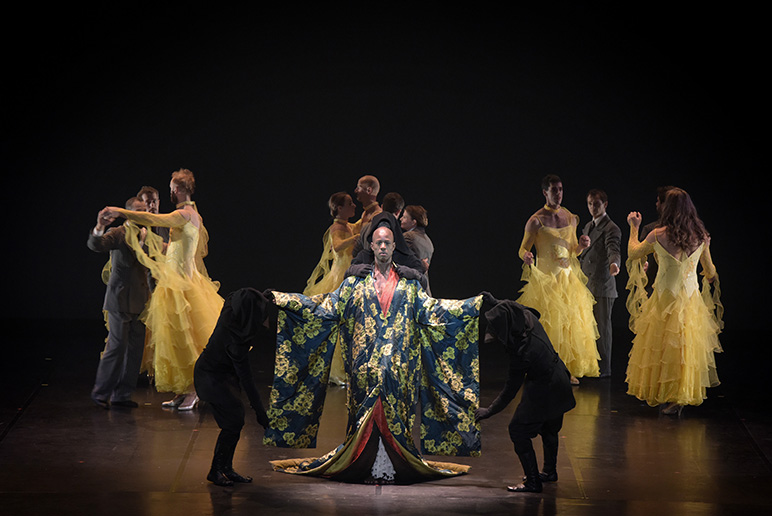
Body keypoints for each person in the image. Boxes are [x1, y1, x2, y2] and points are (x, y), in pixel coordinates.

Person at [264, 226, 483, 484]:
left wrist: (473, 305)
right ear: (371, 246)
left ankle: (394, 465)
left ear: (393, 247)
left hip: (399, 367)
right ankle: (364, 465)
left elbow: (433, 310)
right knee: (365, 419)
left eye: (386, 243)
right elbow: (325, 306)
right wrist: (285, 300)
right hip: (364, 366)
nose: (381, 247)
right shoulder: (354, 283)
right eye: (377, 242)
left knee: (395, 418)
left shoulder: (409, 285)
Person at [103, 168, 224, 411]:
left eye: (170, 188)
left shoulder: (184, 214)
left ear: (177, 190)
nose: (169, 191)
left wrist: (119, 211)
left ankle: (193, 390)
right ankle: (182, 390)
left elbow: (154, 219)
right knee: (177, 340)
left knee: (187, 340)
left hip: (183, 286)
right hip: (173, 284)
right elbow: (176, 246)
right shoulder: (189, 214)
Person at [625, 187, 723, 415]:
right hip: (689, 301)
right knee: (684, 348)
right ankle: (679, 395)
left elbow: (633, 253)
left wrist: (634, 228)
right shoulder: (701, 236)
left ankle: (666, 393)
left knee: (661, 347)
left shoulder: (658, 234)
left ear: (667, 209)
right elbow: (710, 272)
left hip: (663, 300)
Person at [475, 300, 576, 493]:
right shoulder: (528, 319)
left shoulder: (522, 352)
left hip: (545, 387)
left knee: (518, 430)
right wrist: (494, 302)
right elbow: (513, 308)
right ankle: (549, 472)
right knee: (549, 428)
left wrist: (488, 411)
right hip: (560, 378)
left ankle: (533, 482)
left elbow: (509, 392)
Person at [516, 175, 599, 384]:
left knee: (569, 326)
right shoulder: (536, 220)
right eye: (554, 190)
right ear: (545, 192)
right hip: (547, 281)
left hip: (568, 279)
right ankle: (544, 367)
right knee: (548, 325)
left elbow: (573, 252)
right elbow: (522, 248)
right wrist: (525, 255)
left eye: (561, 189)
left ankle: (567, 370)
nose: (559, 193)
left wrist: (582, 245)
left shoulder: (570, 217)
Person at [194, 288, 272, 486]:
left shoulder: (231, 313)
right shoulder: (235, 341)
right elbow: (247, 379)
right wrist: (260, 412)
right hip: (210, 377)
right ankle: (216, 470)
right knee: (232, 422)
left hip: (219, 375)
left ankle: (225, 468)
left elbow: (238, 298)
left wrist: (262, 296)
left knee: (235, 421)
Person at [87, 197, 151, 409]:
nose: (143, 215)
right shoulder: (118, 233)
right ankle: (101, 392)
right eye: (138, 211)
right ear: (129, 213)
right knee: (116, 347)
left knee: (134, 351)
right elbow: (95, 245)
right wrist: (99, 226)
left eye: (145, 211)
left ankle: (122, 395)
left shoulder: (147, 235)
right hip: (119, 300)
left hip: (140, 302)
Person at [303, 191, 360, 385]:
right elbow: (336, 247)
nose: (354, 206)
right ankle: (335, 369)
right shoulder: (337, 226)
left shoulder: (347, 225)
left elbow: (359, 225)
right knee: (339, 320)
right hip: (340, 275)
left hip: (348, 272)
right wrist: (355, 238)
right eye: (350, 203)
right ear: (339, 208)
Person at [578, 189, 621, 378]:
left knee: (602, 328)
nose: (592, 207)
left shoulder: (611, 228)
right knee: (588, 327)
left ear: (605, 204)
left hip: (602, 285)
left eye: (596, 203)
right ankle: (592, 366)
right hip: (587, 285)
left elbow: (614, 249)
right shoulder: (588, 226)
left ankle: (604, 369)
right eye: (589, 203)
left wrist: (614, 264)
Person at [401, 205, 434, 295]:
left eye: (404, 217)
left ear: (413, 222)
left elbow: (402, 260)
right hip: (425, 289)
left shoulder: (408, 237)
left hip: (412, 289)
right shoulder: (428, 241)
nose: (401, 219)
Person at [350, 175, 383, 257]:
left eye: (359, 187)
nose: (356, 190)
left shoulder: (378, 216)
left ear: (369, 190)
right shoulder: (366, 213)